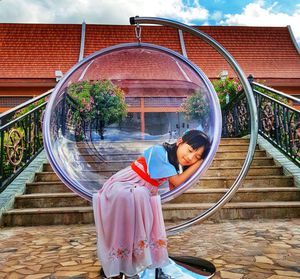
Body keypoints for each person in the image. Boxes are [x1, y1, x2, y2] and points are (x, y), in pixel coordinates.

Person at [93, 130, 211, 279]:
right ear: (180, 141)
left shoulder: (172, 163)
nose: (190, 158)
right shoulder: (158, 152)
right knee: (137, 197)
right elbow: (177, 181)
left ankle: (132, 265)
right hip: (124, 186)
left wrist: (198, 162)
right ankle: (122, 266)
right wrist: (200, 163)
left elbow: (176, 187)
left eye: (196, 157)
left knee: (139, 213)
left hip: (140, 193)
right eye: (190, 150)